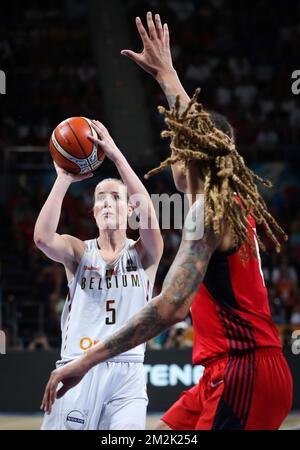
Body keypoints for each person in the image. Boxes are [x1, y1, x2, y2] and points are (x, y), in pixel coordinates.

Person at [41, 13, 293, 430]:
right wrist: (167, 74)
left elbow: (170, 307)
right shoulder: (225, 202)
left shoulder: (208, 213)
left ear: (192, 157)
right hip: (218, 374)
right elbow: (202, 136)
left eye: (176, 146)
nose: (171, 151)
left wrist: (86, 360)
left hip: (244, 373)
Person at [34, 120, 163, 430]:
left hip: (127, 375)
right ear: (93, 211)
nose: (107, 202)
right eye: (101, 197)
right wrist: (64, 178)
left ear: (128, 210)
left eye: (116, 197)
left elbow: (147, 211)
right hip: (77, 367)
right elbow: (42, 238)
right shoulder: (79, 253)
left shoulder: (145, 254)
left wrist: (116, 155)